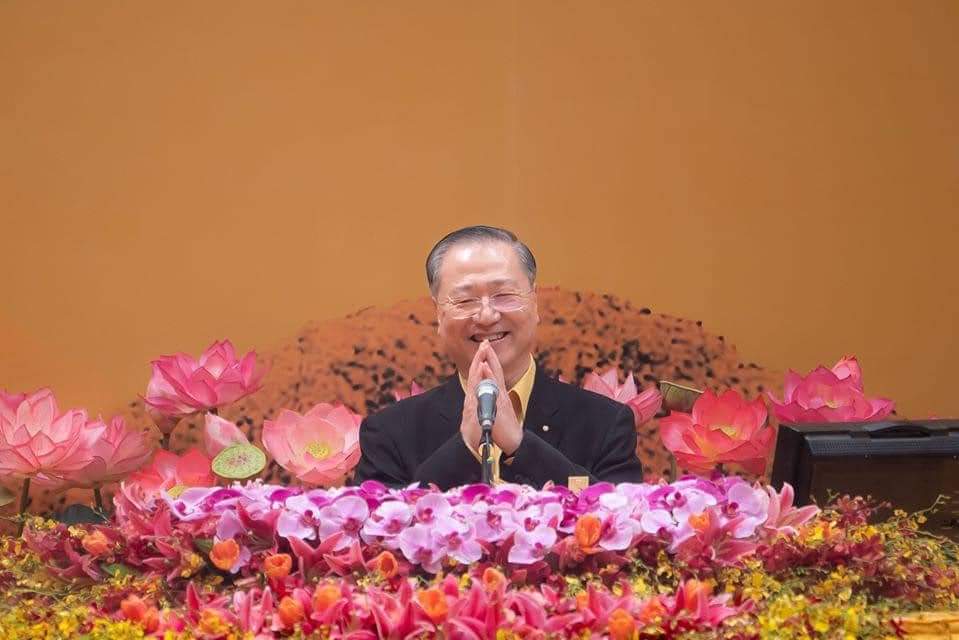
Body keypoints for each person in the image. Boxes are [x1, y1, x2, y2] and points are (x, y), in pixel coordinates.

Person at [352, 226, 643, 489]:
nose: (487, 315)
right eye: (465, 300)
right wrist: (464, 446)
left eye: (504, 295)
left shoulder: (605, 424)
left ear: (535, 302)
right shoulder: (389, 433)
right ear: (438, 314)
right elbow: (383, 524)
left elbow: (617, 520)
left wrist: (520, 446)